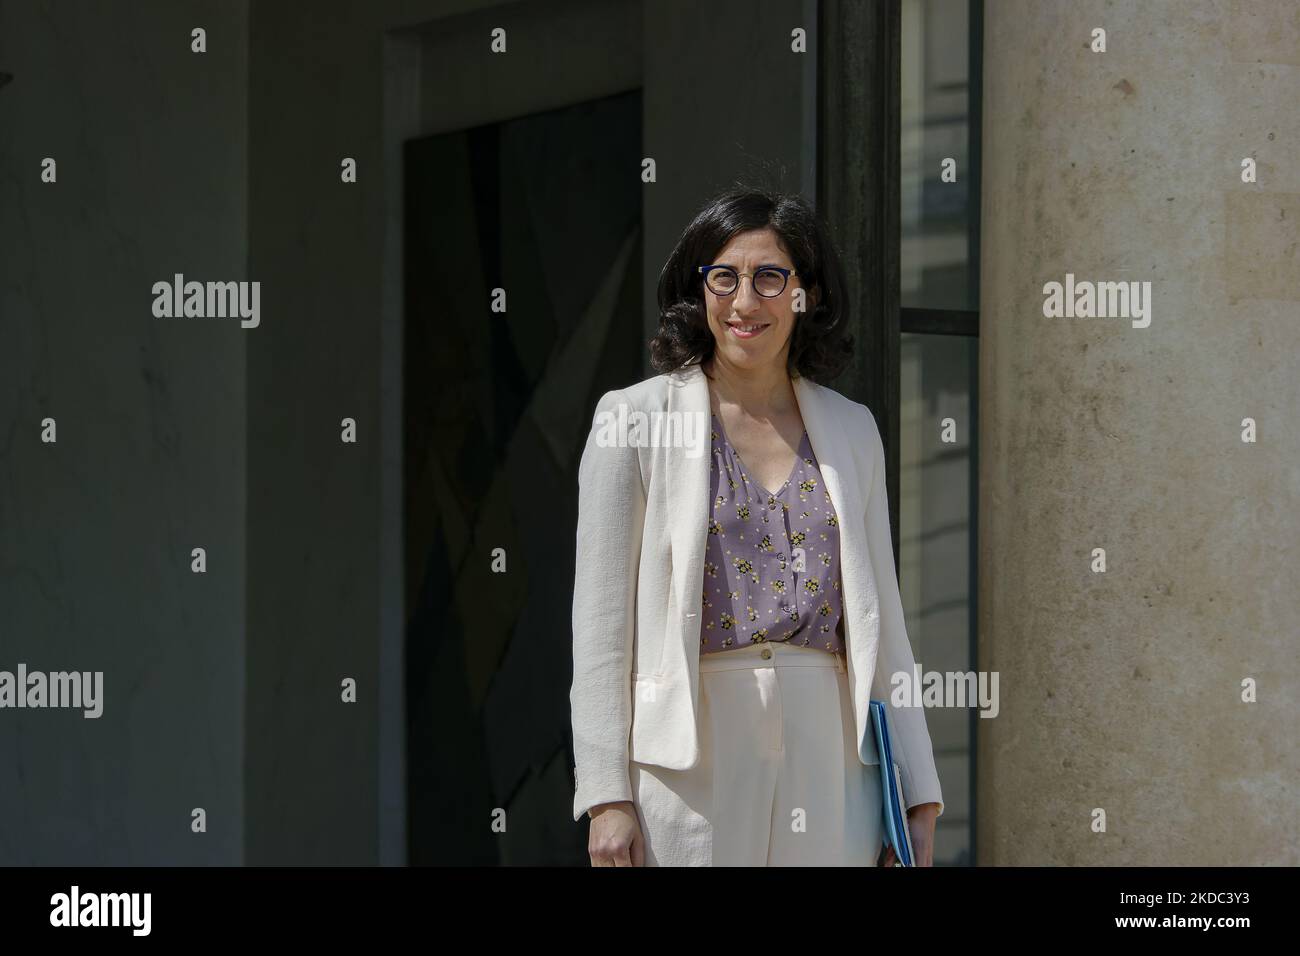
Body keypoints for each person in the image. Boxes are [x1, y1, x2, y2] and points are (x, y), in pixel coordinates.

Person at [570, 186, 943, 866]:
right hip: (691, 760)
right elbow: (599, 629)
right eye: (724, 277)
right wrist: (605, 793)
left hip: (831, 757)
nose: (745, 302)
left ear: (807, 295)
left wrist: (916, 789)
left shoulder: (853, 430)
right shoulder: (633, 420)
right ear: (699, 290)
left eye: (770, 277)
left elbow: (881, 617)